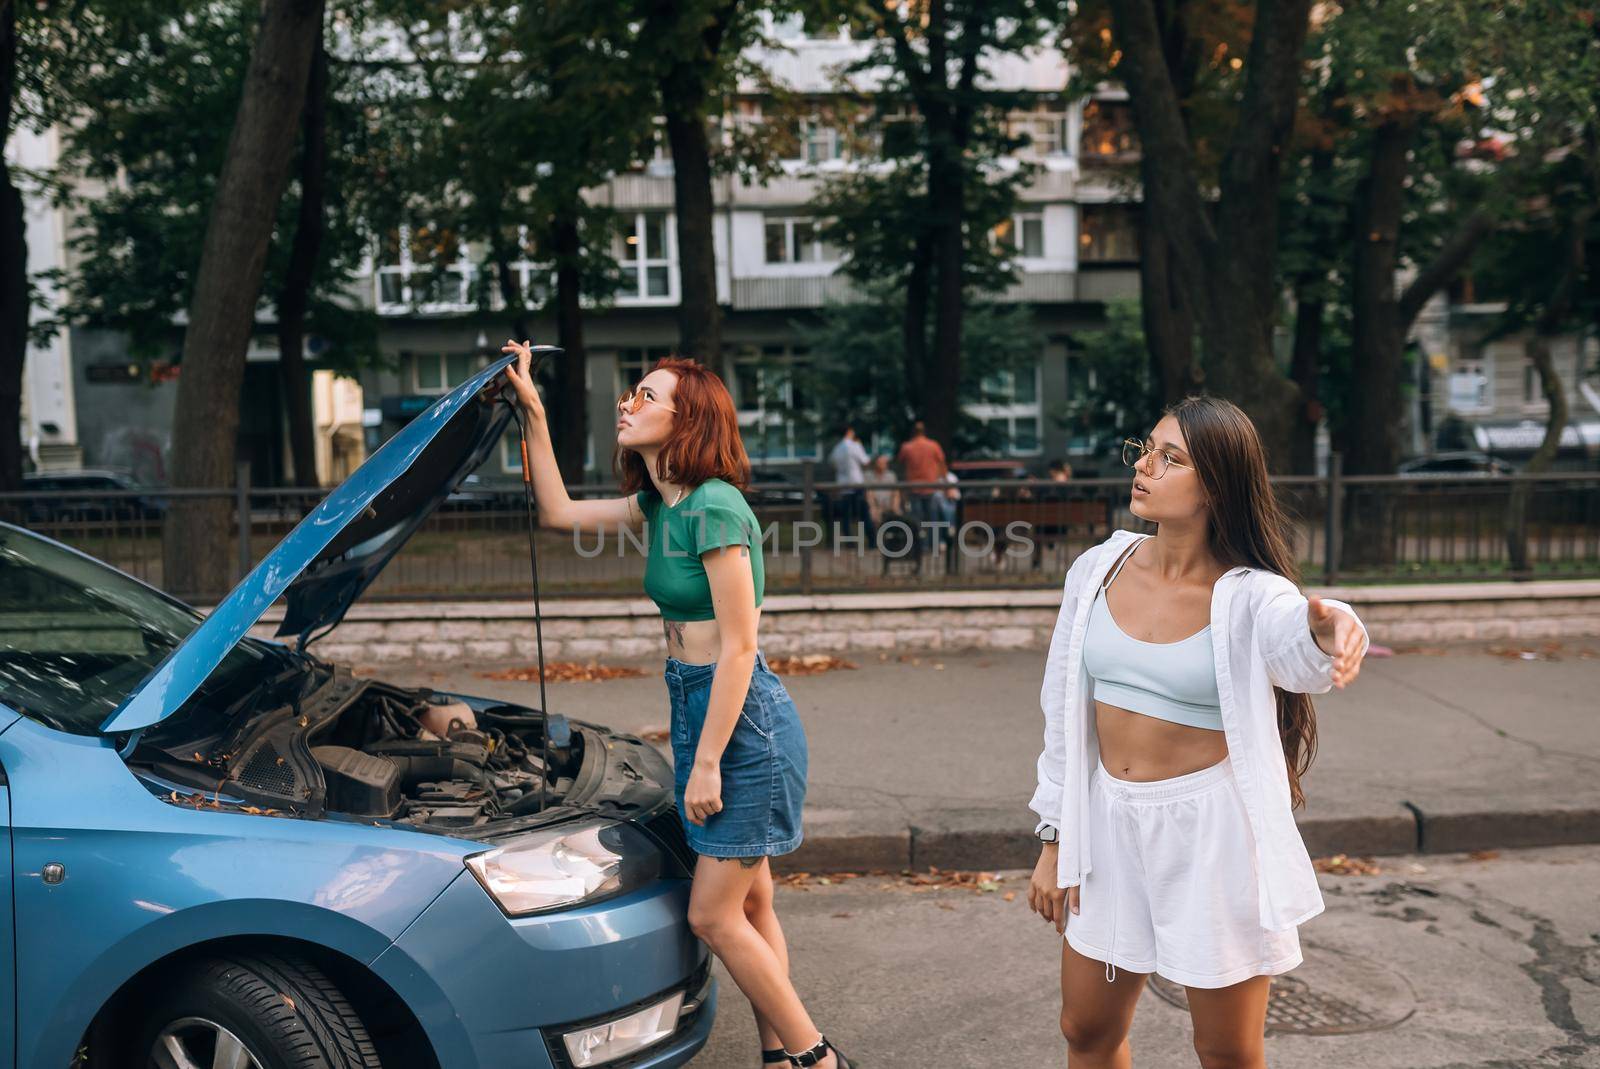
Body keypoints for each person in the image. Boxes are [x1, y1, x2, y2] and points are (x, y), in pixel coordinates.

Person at [503, 342, 854, 1069]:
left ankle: (817, 1057)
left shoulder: (716, 505)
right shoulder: (659, 505)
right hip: (702, 707)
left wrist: (706, 763)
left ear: (687, 418)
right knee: (754, 907)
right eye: (631, 393)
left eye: (645, 395)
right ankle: (778, 1057)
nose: (628, 404)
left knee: (713, 913)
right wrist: (533, 410)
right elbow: (560, 511)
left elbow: (737, 648)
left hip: (743, 722)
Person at [1026, 395, 1369, 1069]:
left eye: (1171, 457)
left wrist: (1330, 627)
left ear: (1216, 484)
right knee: (1085, 1028)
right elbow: (1061, 711)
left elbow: (1296, 642)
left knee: (1226, 1050)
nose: (1145, 466)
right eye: (1147, 449)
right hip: (1108, 825)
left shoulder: (1251, 593)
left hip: (1211, 837)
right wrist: (1054, 836)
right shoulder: (1098, 568)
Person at [895, 421, 949, 563]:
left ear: (913, 432)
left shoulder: (907, 447)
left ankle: (921, 546)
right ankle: (934, 545)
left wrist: (902, 486)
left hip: (914, 487)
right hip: (931, 486)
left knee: (917, 520)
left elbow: (899, 465)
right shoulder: (933, 446)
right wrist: (946, 485)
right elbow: (942, 465)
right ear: (924, 431)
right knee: (933, 518)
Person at [827, 425, 870, 536]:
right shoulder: (855, 446)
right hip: (856, 482)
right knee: (863, 513)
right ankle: (871, 540)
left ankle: (849, 541)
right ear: (849, 432)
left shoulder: (837, 449)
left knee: (846, 515)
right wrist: (860, 445)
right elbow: (865, 461)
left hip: (843, 485)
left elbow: (832, 463)